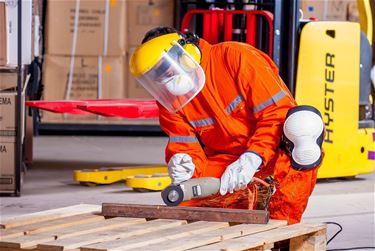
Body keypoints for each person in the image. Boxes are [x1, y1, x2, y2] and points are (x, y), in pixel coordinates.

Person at [129, 26, 324, 224]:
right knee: (183, 198)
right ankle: (241, 210)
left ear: (186, 53)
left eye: (164, 69)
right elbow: (183, 143)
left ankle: (281, 228)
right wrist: (183, 164)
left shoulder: (237, 57)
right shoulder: (170, 100)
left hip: (272, 152)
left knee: (303, 127)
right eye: (155, 76)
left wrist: (252, 157)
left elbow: (276, 114)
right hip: (228, 162)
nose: (163, 80)